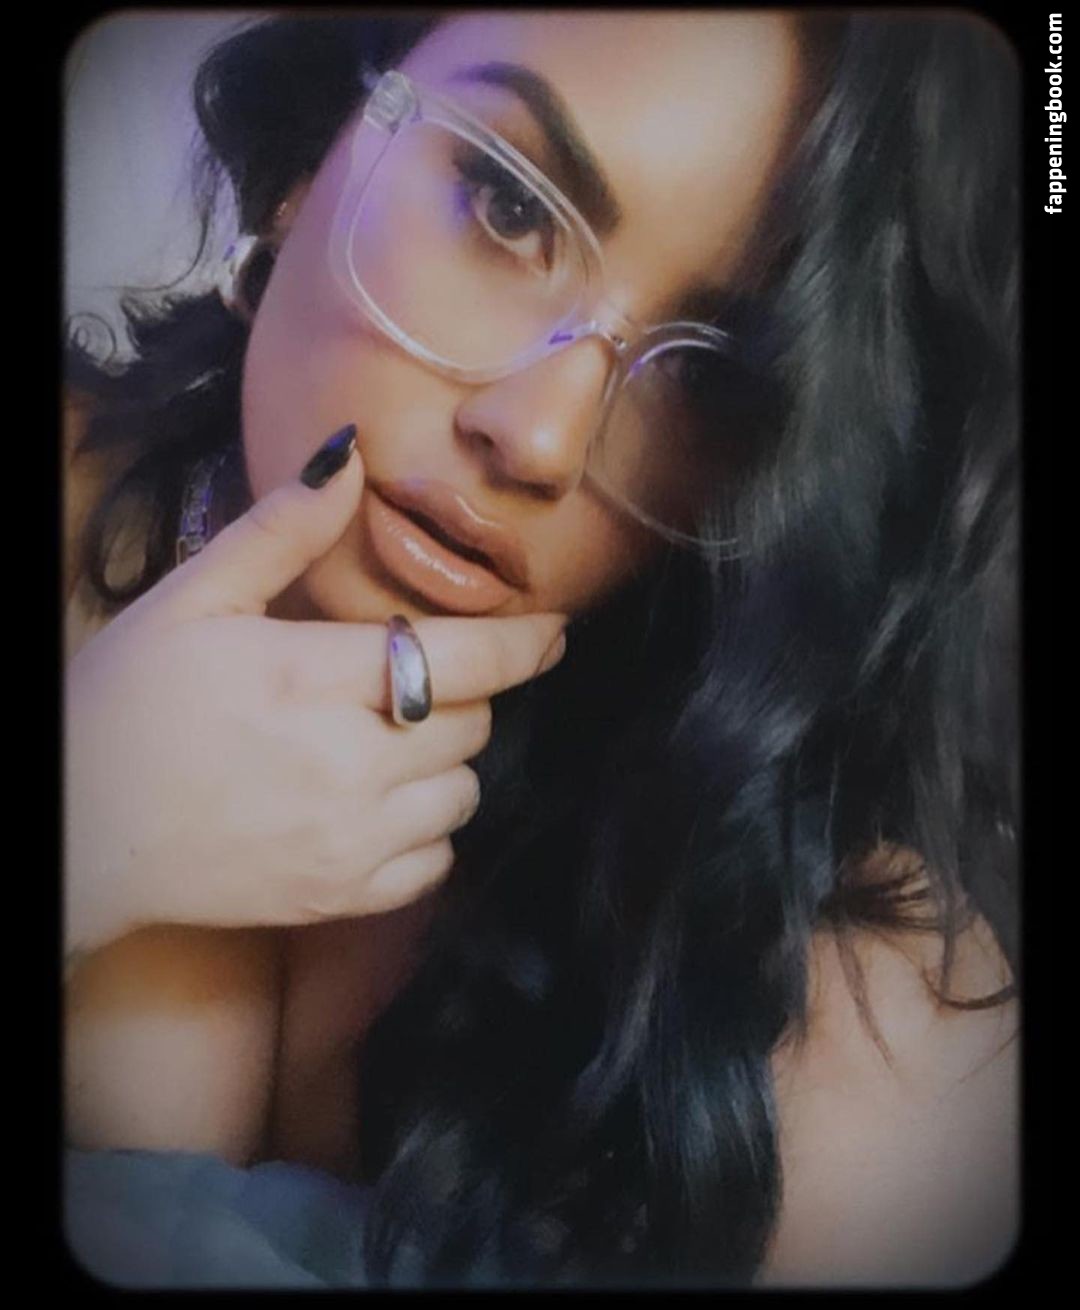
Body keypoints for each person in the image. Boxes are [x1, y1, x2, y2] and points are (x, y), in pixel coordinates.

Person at [62, 9, 1020, 1290]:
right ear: (313, 153)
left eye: (712, 378)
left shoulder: (816, 972)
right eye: (508, 206)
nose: (543, 437)